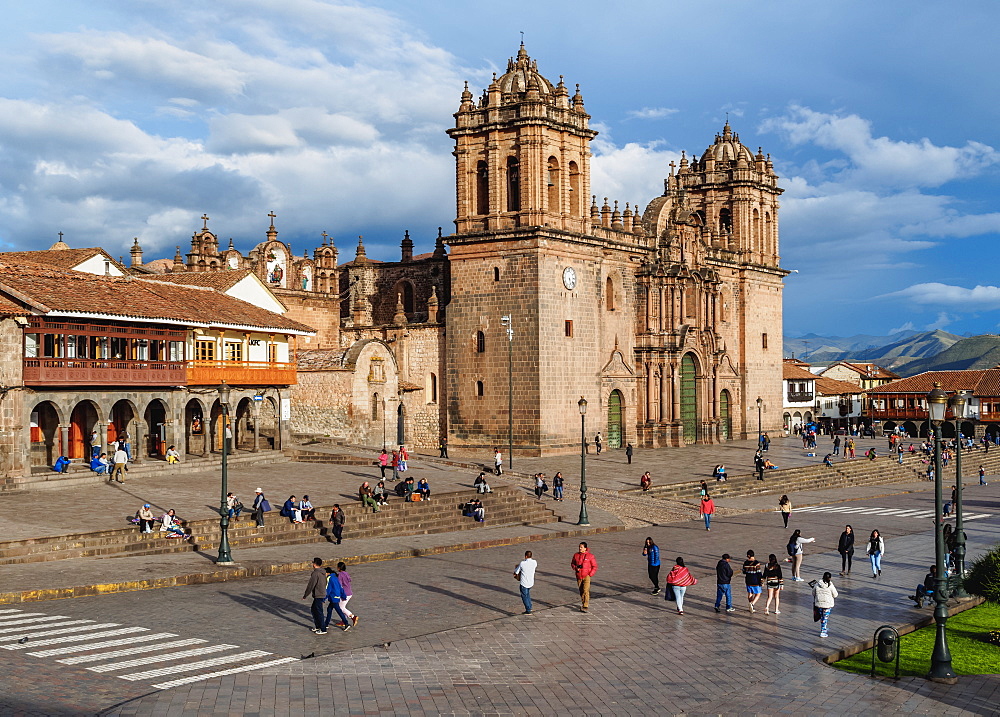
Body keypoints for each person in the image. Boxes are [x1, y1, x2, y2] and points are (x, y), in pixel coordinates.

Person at [303, 557, 330, 634]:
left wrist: (305, 595)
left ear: (314, 564)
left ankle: (323, 629)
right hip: (322, 593)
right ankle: (318, 626)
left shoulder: (315, 573)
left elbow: (311, 585)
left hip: (318, 594)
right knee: (314, 609)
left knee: (319, 612)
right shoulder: (323, 572)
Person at [570, 542, 598, 613]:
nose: (580, 548)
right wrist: (576, 568)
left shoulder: (590, 556)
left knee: (586, 590)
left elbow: (594, 566)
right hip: (579, 575)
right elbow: (572, 563)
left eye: (581, 547)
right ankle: (583, 603)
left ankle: (585, 605)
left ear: (585, 548)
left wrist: (590, 574)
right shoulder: (576, 555)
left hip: (586, 575)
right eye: (579, 547)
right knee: (581, 591)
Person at [322, 565, 351, 632]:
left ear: (327, 573)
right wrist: (343, 595)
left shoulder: (329, 578)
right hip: (337, 596)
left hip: (333, 597)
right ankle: (326, 624)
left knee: (338, 610)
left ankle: (346, 623)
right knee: (329, 610)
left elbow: (328, 589)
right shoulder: (335, 577)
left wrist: (324, 598)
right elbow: (341, 587)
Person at [811, 572, 838, 638]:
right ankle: (823, 631)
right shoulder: (830, 586)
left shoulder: (817, 584)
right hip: (827, 604)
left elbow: (813, 593)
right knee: (825, 617)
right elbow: (835, 595)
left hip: (819, 603)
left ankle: (824, 627)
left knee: (822, 617)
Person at [514, 550, 537, 615]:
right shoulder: (534, 562)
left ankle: (528, 609)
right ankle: (530, 606)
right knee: (527, 594)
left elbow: (516, 571)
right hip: (531, 582)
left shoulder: (522, 563)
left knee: (524, 596)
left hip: (524, 582)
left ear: (526, 556)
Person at [336, 562, 358, 626]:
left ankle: (353, 617)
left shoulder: (340, 575)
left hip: (344, 593)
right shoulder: (346, 574)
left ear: (339, 568)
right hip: (349, 592)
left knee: (341, 608)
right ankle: (343, 620)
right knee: (343, 607)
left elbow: (339, 585)